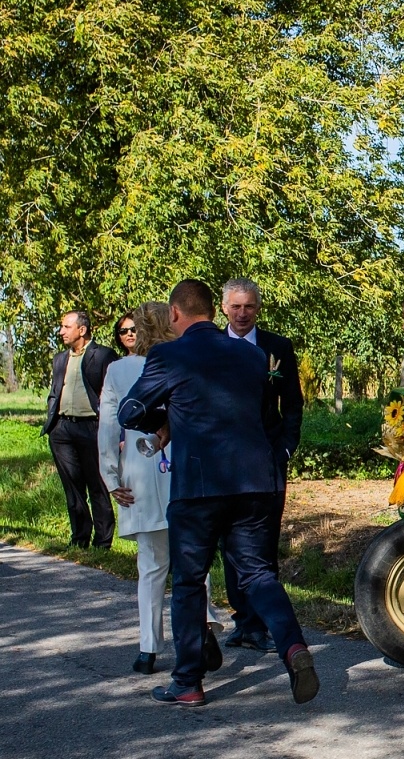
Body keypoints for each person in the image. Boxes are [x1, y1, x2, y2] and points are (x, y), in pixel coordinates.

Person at [119, 280, 319, 708]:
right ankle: (294, 647)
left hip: (199, 485)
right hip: (255, 482)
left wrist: (163, 416)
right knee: (259, 573)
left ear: (175, 314)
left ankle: (188, 681)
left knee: (189, 581)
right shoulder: (250, 355)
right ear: (217, 310)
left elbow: (130, 410)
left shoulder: (168, 354)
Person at [97, 302, 231, 674]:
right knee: (193, 560)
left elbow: (108, 427)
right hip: (185, 465)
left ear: (137, 330)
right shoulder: (185, 358)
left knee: (151, 565)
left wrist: (111, 476)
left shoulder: (119, 370)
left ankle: (148, 648)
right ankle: (201, 624)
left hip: (140, 469)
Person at [219, 278, 305, 652]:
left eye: (249, 306)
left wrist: (286, 448)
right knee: (228, 544)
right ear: (224, 308)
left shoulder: (277, 347)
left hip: (267, 461)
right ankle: (243, 619)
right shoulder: (213, 347)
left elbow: (293, 404)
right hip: (221, 463)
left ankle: (261, 623)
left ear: (258, 308)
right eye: (235, 306)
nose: (242, 313)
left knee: (263, 543)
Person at [43, 310, 117, 549]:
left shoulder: (104, 355)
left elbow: (112, 392)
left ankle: (103, 543)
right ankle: (79, 539)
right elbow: (55, 391)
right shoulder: (60, 359)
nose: (61, 331)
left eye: (66, 327)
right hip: (62, 429)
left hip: (92, 428)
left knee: (97, 485)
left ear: (82, 330)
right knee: (73, 487)